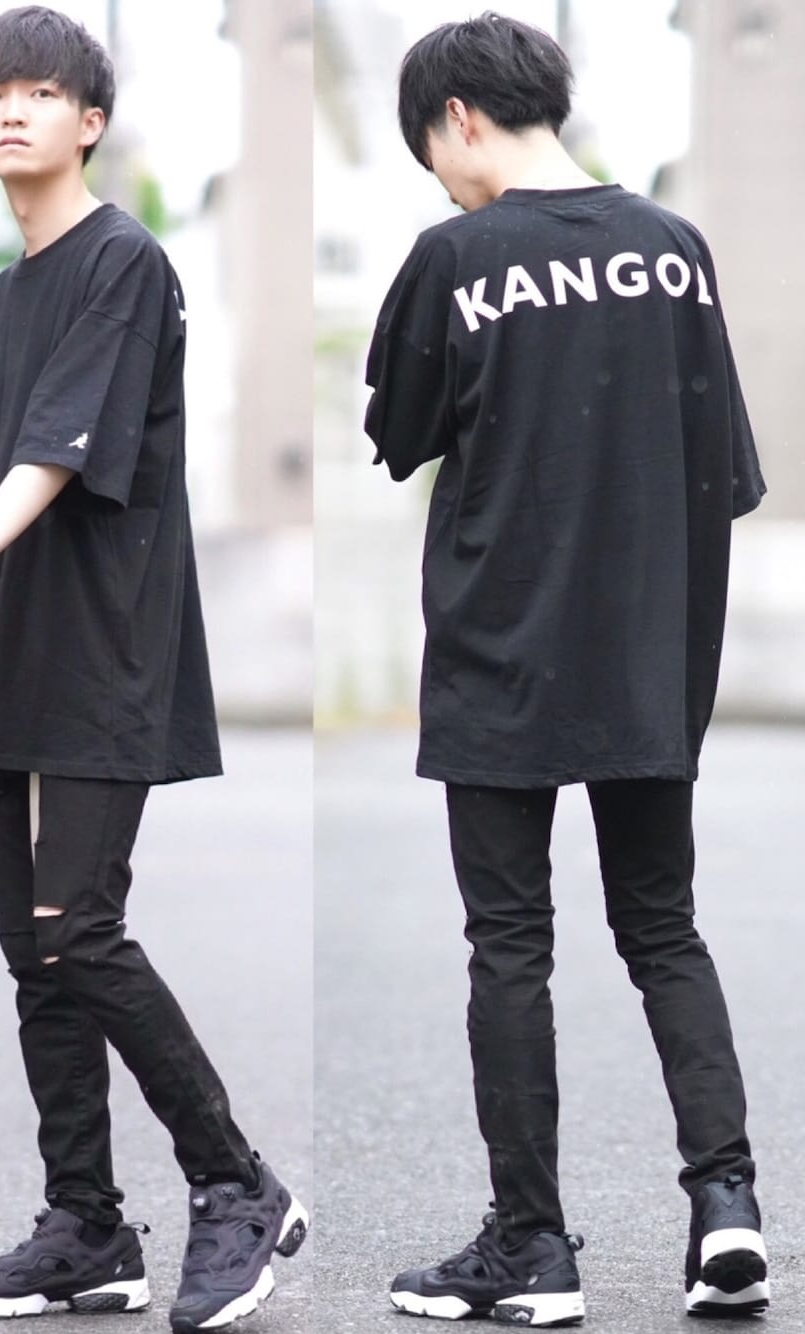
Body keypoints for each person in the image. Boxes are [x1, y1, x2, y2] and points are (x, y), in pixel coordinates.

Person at [0, 8, 307, 1329]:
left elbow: (58, 457)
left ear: (90, 120)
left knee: (83, 931)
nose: (13, 111)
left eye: (40, 93)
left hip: (105, 643)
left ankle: (237, 1184)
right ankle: (87, 1227)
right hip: (15, 646)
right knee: (33, 954)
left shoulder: (126, 261)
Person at [364, 12, 768, 1327]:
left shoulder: (456, 257)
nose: (441, 180)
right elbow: (730, 472)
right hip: (650, 653)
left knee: (510, 946)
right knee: (662, 926)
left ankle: (532, 1248)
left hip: (501, 649)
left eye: (431, 151)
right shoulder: (675, 249)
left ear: (459, 117)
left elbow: (400, 430)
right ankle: (727, 1207)